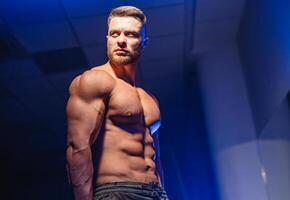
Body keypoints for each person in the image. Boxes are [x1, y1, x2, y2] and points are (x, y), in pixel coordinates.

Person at [66, 6, 169, 200]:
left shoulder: (149, 99)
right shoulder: (95, 80)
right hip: (118, 191)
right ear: (107, 39)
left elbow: (156, 157)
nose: (121, 40)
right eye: (114, 34)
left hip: (157, 193)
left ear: (144, 42)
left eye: (130, 34)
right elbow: (77, 148)